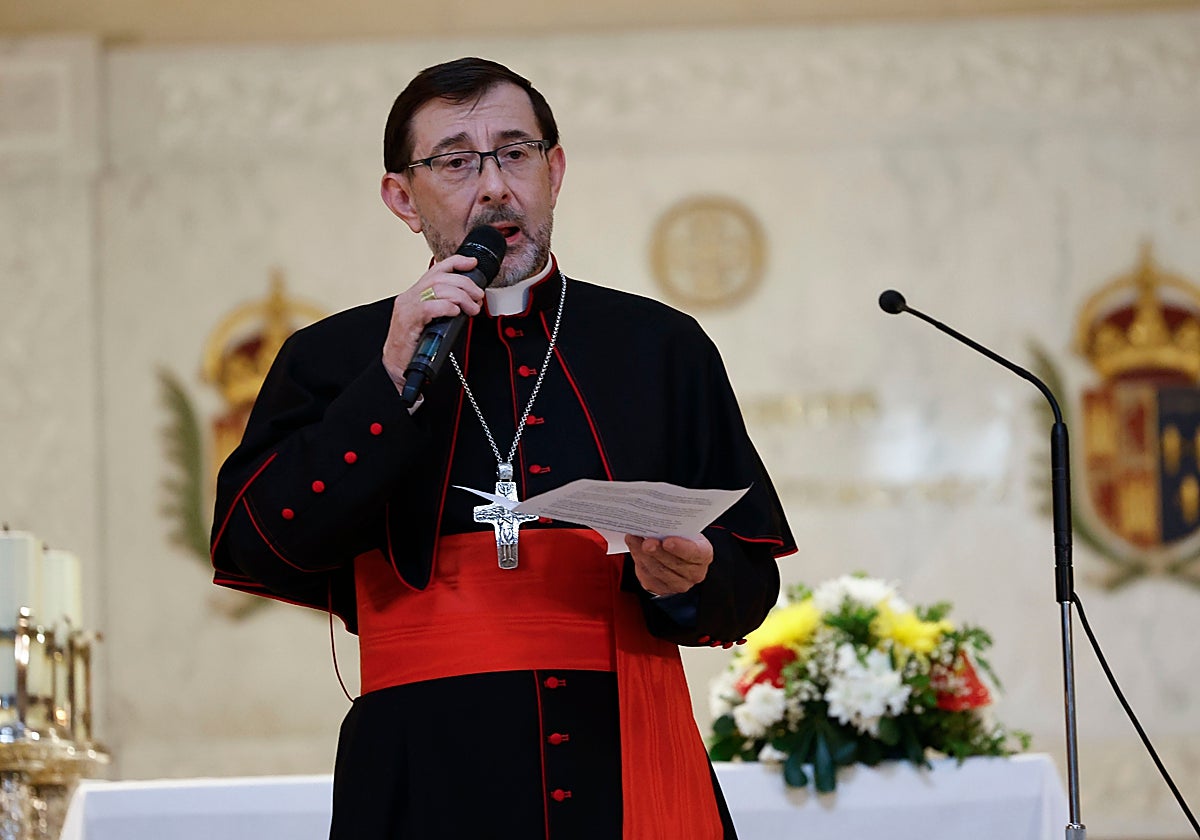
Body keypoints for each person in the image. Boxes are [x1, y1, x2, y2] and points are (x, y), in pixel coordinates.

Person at [210, 56, 795, 840]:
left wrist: (691, 577)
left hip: (621, 760)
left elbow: (747, 586)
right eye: (454, 162)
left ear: (554, 170)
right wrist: (386, 383)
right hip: (424, 771)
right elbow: (255, 541)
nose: (493, 187)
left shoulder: (661, 347)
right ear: (401, 197)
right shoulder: (336, 355)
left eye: (516, 153)